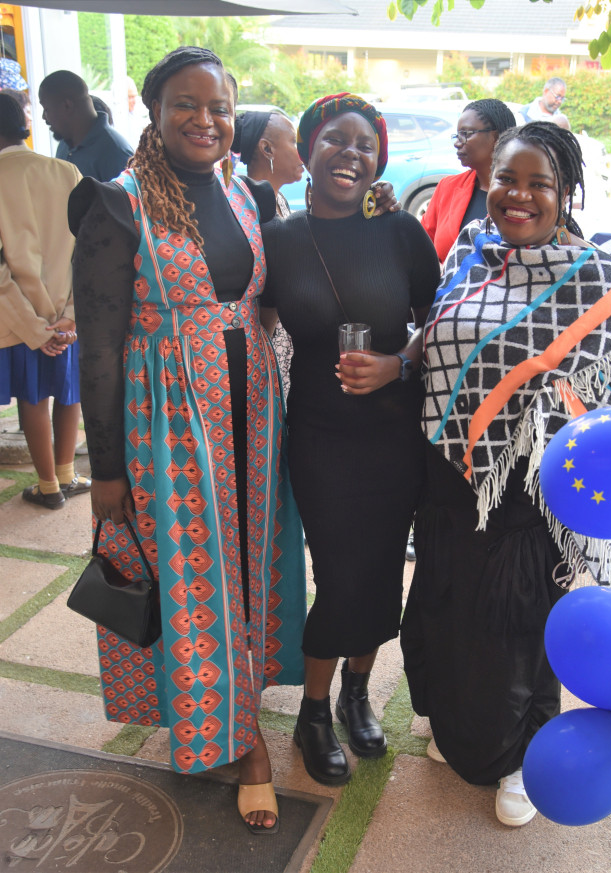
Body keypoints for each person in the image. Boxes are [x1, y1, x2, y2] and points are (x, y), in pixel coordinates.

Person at [68, 46, 309, 835]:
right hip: (166, 421)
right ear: (152, 109)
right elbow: (97, 348)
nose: (205, 119)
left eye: (218, 106)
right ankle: (244, 747)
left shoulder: (246, 193)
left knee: (245, 571)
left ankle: (230, 703)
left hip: (249, 413)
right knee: (191, 575)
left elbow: (258, 300)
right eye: (186, 104)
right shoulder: (115, 203)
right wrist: (104, 471)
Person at [401, 122, 611, 827]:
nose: (520, 195)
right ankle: (460, 729)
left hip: (530, 492)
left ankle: (522, 754)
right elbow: (434, 344)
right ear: (489, 181)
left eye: (539, 183)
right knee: (449, 610)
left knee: (516, 626)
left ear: (564, 192)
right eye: (508, 177)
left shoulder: (597, 280)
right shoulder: (472, 255)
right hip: (452, 477)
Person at [261, 93, 440, 787]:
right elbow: (257, 327)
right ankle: (312, 710)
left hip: (393, 430)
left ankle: (356, 692)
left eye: (366, 144)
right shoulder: (277, 239)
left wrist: (399, 363)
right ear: (308, 149)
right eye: (337, 139)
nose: (352, 154)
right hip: (317, 432)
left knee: (381, 564)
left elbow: (443, 321)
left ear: (380, 160)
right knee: (338, 572)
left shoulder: (399, 231)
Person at [0, 92, 89, 509]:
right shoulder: (65, 170)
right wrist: (69, 316)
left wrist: (35, 329)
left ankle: (48, 485)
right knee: (68, 391)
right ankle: (69, 473)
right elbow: (85, 249)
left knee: (32, 398)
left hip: (17, 319)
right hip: (66, 315)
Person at [233, 109, 305, 399]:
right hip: (260, 348)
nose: (303, 152)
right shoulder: (245, 207)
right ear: (267, 149)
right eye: (294, 142)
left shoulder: (281, 201)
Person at [421, 98, 517, 262]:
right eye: (457, 135)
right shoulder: (447, 187)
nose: (457, 143)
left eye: (466, 134)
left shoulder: (523, 196)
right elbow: (420, 247)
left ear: (497, 137)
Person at [38, 70, 132, 181]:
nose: (44, 117)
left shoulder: (115, 153)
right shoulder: (64, 146)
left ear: (67, 106)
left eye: (46, 109)